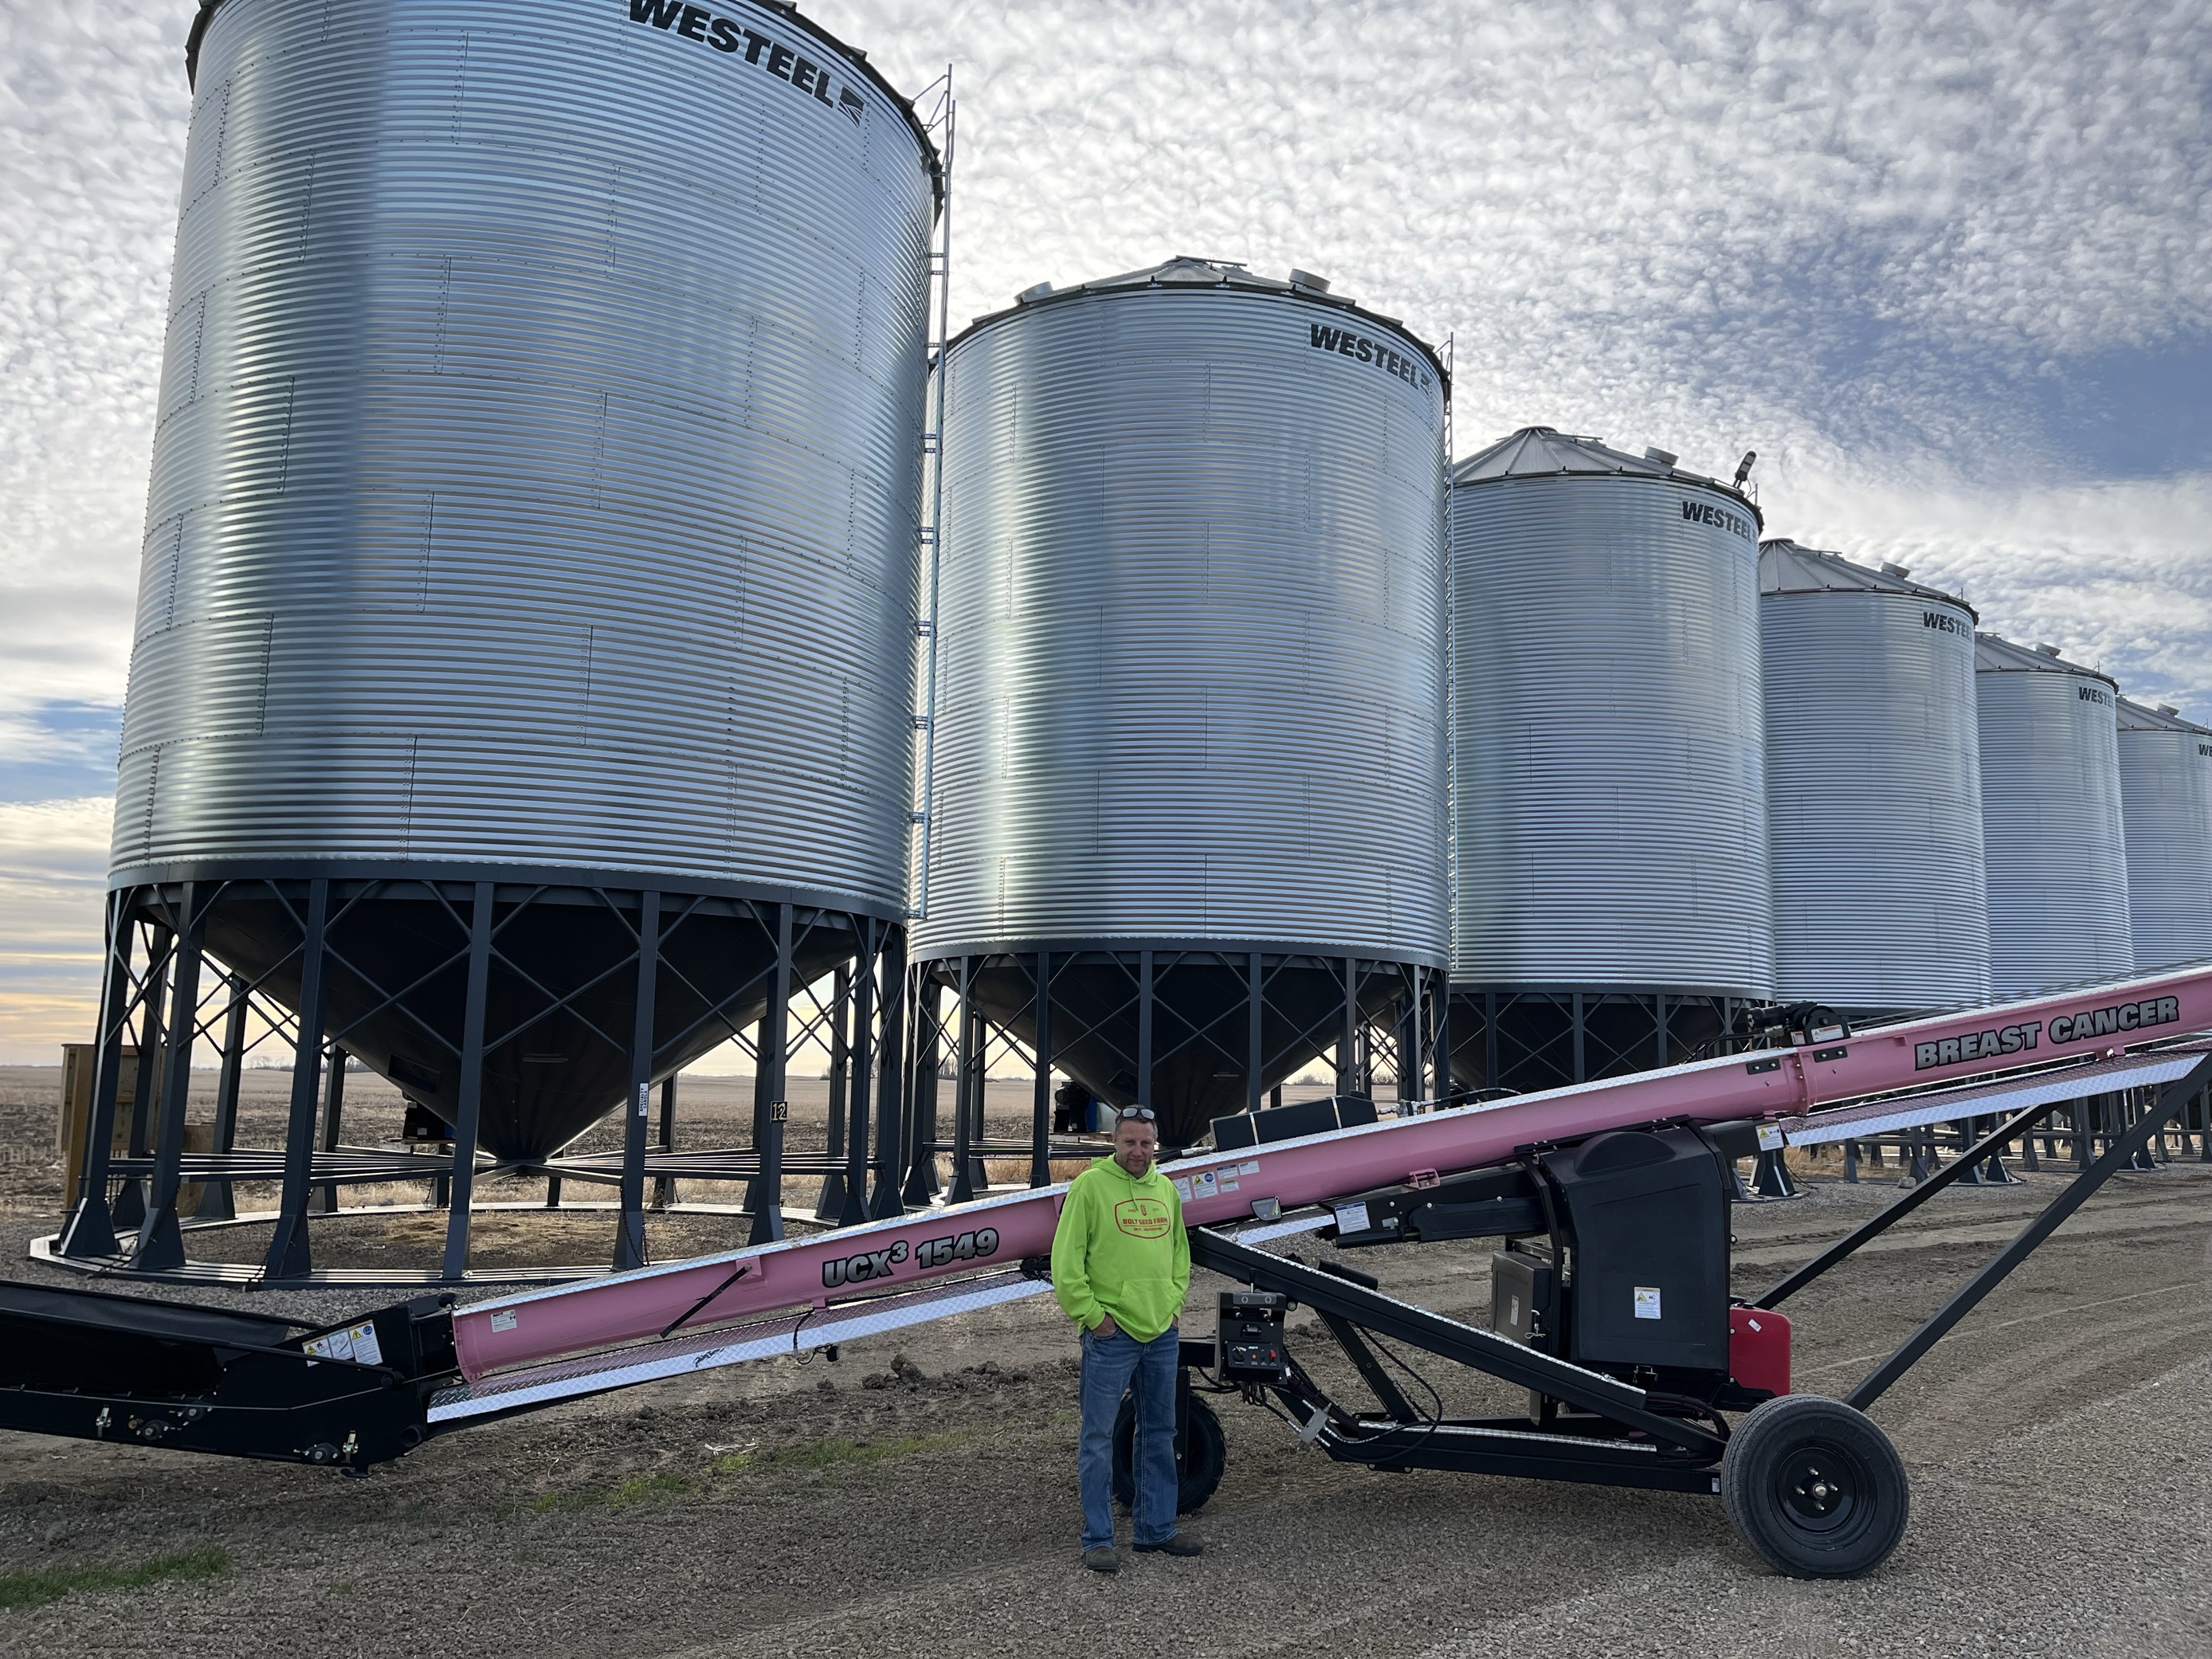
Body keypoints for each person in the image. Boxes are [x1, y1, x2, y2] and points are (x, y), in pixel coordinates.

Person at [1049, 1104, 1199, 1572]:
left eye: (1146, 1144)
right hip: (1112, 1336)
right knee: (1097, 1436)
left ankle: (1156, 1529)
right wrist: (1095, 1318)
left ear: (1156, 1146)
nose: (1139, 1151)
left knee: (1160, 1432)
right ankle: (1098, 1538)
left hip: (1161, 1333)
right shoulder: (1090, 1188)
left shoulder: (1166, 1190)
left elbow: (1180, 1255)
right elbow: (1066, 1262)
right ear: (1115, 1142)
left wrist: (1173, 1306)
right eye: (1130, 1142)